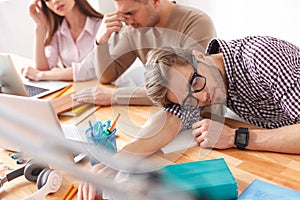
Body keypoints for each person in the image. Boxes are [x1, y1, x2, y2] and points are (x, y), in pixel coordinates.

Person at [144, 36, 300, 154]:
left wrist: (235, 137)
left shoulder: (262, 58)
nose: (202, 98)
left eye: (195, 83)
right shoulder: (208, 79)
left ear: (199, 56)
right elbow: (170, 119)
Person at [71, 0, 216, 105]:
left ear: (155, 1)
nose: (126, 22)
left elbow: (182, 90)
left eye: (129, 13)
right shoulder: (135, 29)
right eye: (122, 15)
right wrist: (101, 41)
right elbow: (106, 76)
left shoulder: (197, 23)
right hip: (161, 112)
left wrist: (115, 96)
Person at [22, 0, 114, 82]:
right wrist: (40, 26)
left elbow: (91, 68)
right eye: (47, 0)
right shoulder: (58, 32)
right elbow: (42, 68)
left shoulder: (104, 27)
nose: (54, 1)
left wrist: (41, 75)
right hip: (74, 93)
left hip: (103, 92)